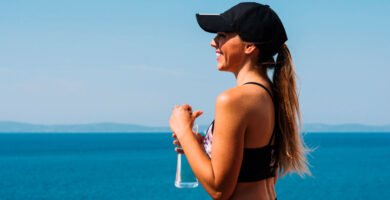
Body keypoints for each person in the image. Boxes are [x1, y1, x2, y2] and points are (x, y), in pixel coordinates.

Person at [169, 2, 310, 200]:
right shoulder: (271, 94)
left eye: (223, 35)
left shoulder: (233, 100)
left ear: (250, 46)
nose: (213, 42)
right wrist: (200, 148)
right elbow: (256, 171)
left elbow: (219, 189)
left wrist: (183, 130)